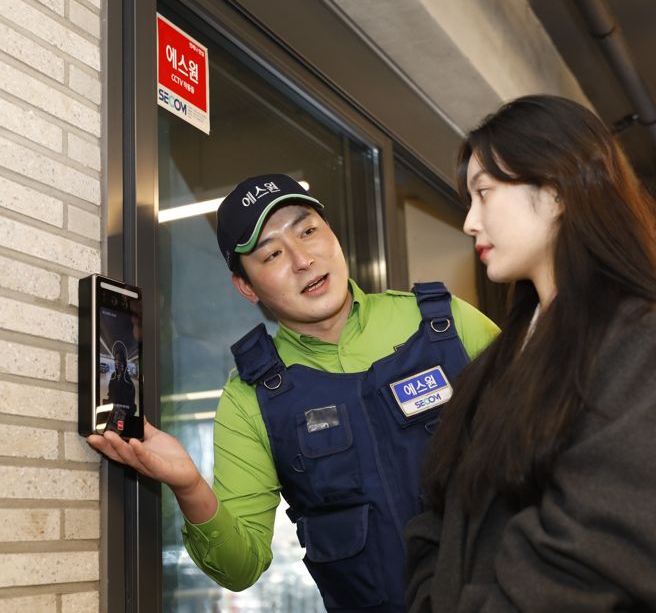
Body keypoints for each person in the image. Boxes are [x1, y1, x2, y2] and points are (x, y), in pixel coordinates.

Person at [404, 95, 656, 612]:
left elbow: (616, 550)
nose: (469, 222)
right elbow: (438, 519)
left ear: (556, 191)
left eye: (483, 194)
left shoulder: (646, 342)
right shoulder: (497, 363)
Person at [87, 173, 499, 612]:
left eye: (308, 231)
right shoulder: (250, 400)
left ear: (333, 237)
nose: (302, 259)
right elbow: (240, 567)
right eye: (272, 254)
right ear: (247, 287)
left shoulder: (446, 324)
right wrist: (189, 485)